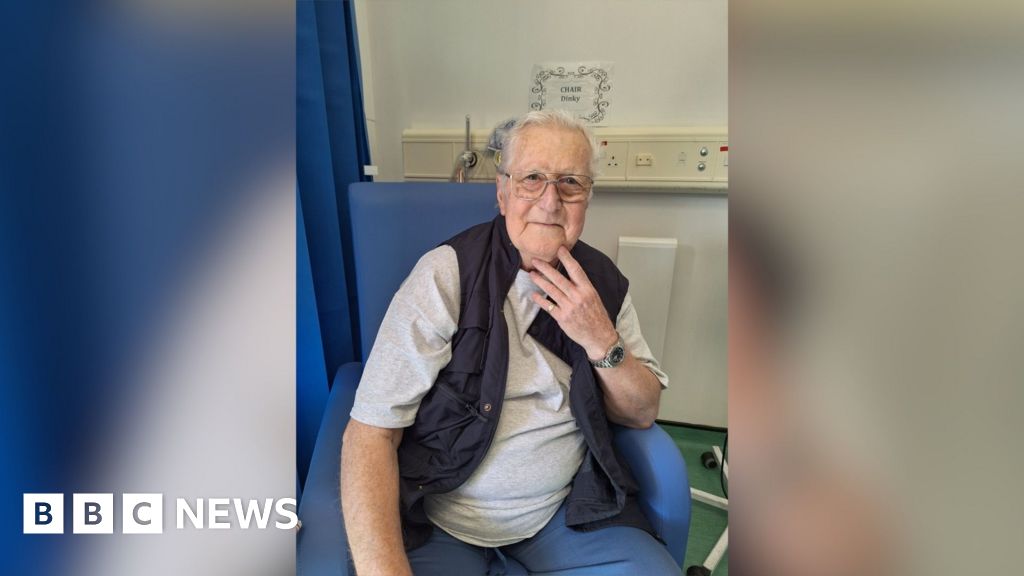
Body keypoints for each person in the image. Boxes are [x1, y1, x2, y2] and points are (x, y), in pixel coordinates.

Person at [340, 110, 678, 576]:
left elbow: (641, 411)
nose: (550, 201)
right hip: (441, 519)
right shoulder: (446, 276)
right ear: (502, 193)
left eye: (570, 183)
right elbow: (371, 431)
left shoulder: (602, 284)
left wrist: (601, 339)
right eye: (531, 179)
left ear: (587, 199)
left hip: (565, 515)